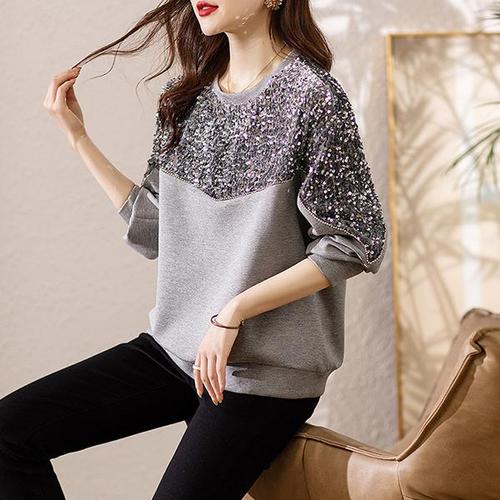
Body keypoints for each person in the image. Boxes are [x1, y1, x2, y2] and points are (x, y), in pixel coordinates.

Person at [0, 0, 388, 498]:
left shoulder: (312, 97)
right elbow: (156, 229)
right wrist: (79, 138)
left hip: (263, 374)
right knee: (9, 433)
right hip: (176, 352)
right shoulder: (186, 98)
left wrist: (233, 312)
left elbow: (352, 241)